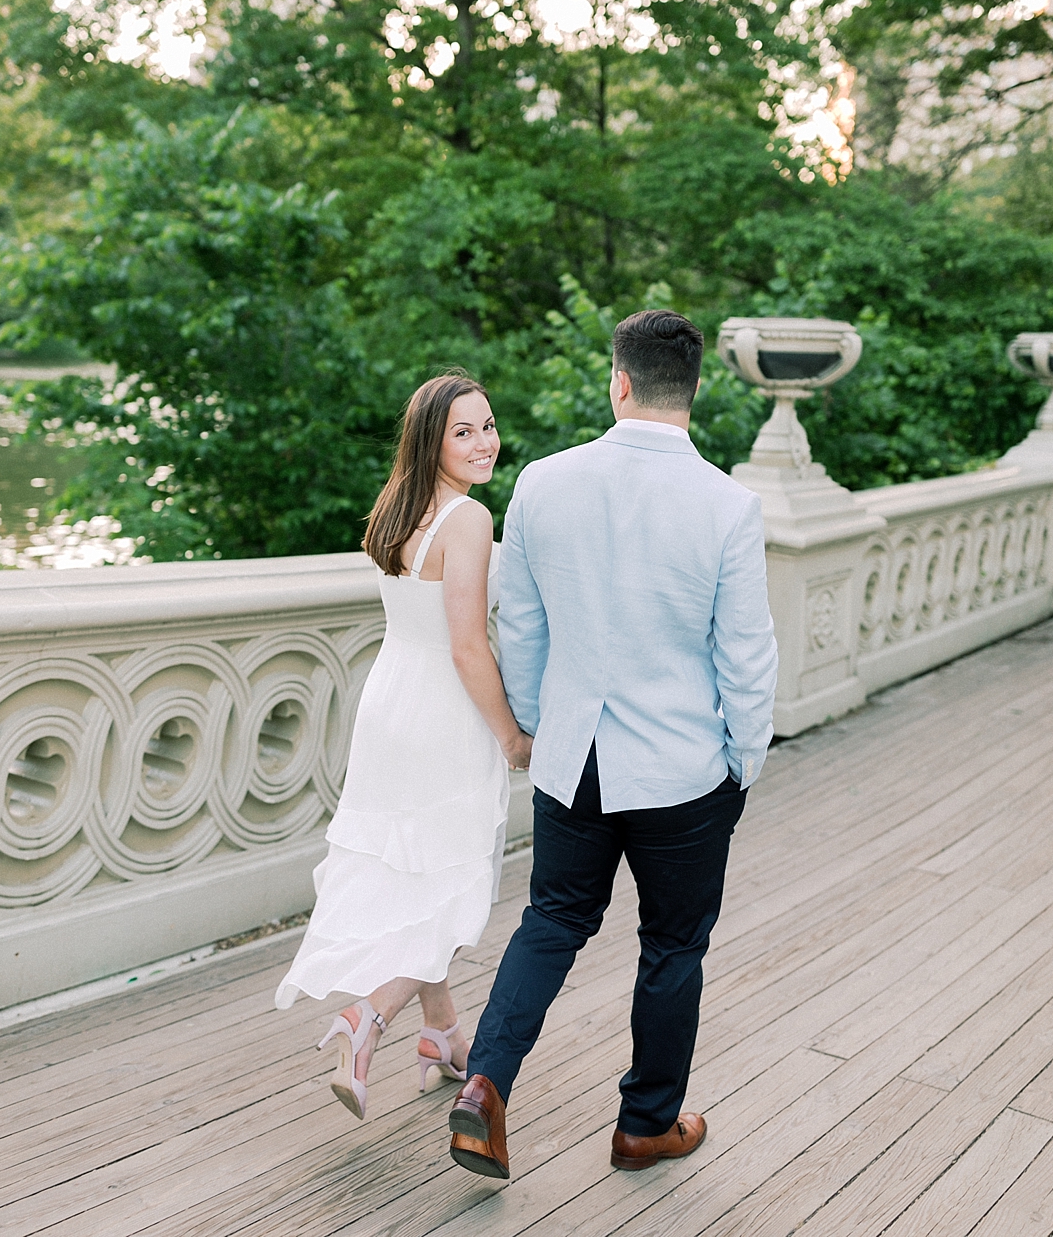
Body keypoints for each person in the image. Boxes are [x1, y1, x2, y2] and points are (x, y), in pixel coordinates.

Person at [447, 310, 779, 1180]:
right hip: (683, 770)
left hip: (573, 759)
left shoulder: (543, 484)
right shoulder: (728, 506)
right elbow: (746, 656)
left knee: (551, 921)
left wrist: (535, 730)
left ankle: (483, 1084)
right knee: (672, 946)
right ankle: (645, 1126)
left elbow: (518, 628)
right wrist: (745, 760)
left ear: (617, 382)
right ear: (693, 390)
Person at [275, 373, 533, 1119]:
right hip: (443, 715)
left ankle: (442, 1033)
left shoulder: (399, 506)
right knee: (449, 889)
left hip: (389, 700)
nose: (484, 441)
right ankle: (368, 1018)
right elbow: (466, 648)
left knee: (416, 872)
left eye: (488, 425)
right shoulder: (469, 519)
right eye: (463, 431)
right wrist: (510, 735)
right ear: (432, 441)